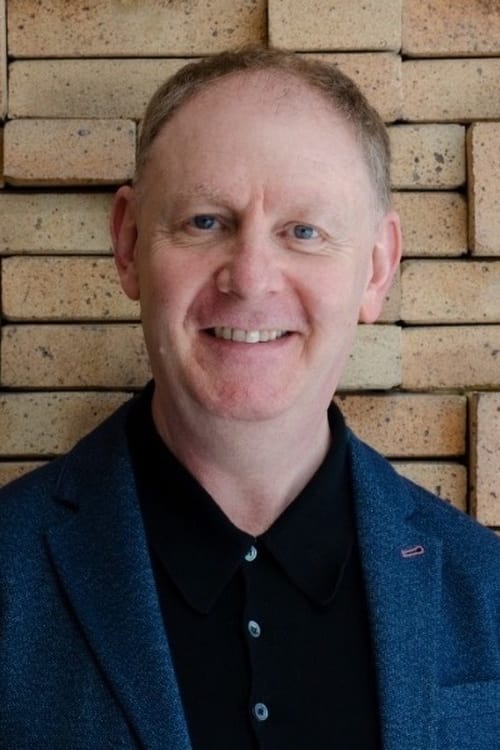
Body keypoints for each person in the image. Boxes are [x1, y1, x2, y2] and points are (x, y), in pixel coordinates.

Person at [0, 47, 498, 750]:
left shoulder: (486, 587)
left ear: (377, 268)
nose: (251, 277)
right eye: (206, 222)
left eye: (304, 231)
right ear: (129, 242)